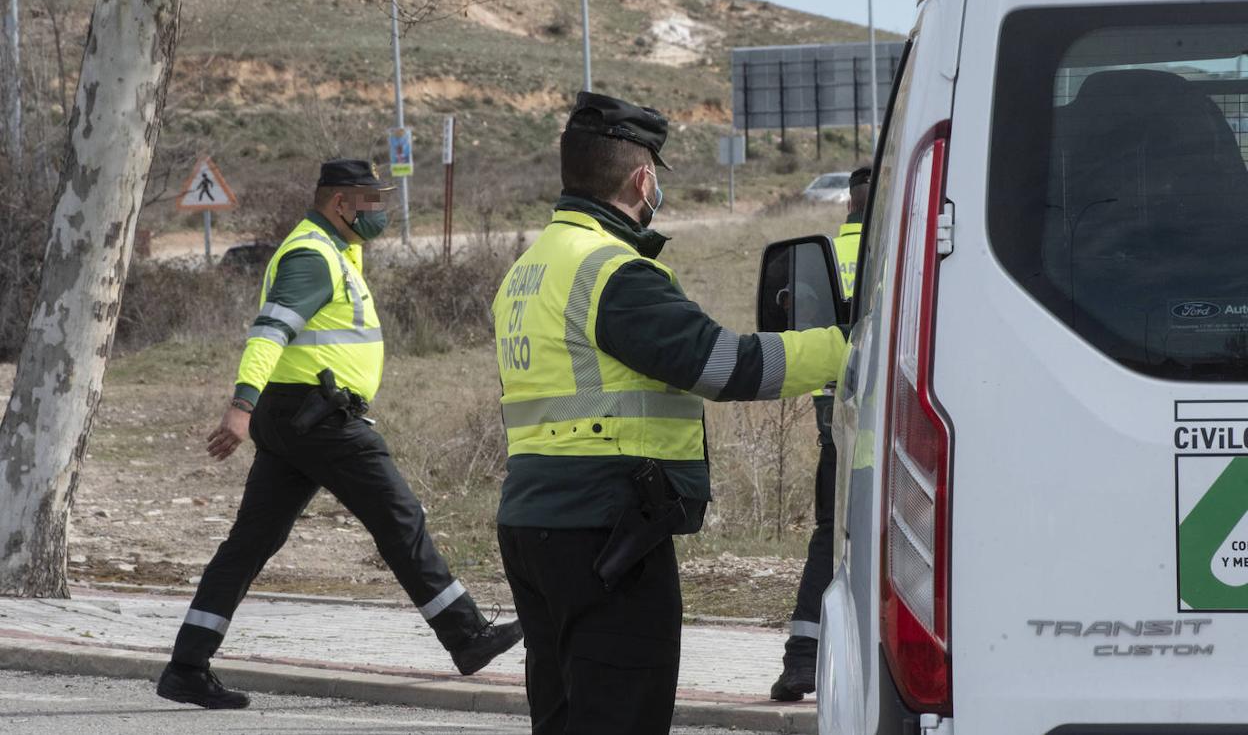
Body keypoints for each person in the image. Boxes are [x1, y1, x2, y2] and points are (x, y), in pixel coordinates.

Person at [491, 92, 849, 734]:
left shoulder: (530, 267)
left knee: (565, 714)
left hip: (534, 521)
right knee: (623, 715)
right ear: (642, 178)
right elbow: (727, 366)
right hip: (605, 531)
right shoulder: (613, 273)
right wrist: (849, 347)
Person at [156, 159, 522, 710]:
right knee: (400, 518)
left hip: (299, 417)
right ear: (339, 203)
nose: (380, 212)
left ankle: (187, 665)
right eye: (370, 201)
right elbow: (270, 331)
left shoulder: (339, 250)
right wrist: (240, 406)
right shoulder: (312, 254)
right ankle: (467, 636)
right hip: (321, 416)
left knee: (252, 542)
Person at [770, 165, 870, 702]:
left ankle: (802, 660)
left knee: (830, 536)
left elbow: (798, 338)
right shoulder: (906, 249)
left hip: (835, 420)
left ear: (848, 206)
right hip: (902, 422)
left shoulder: (823, 259)